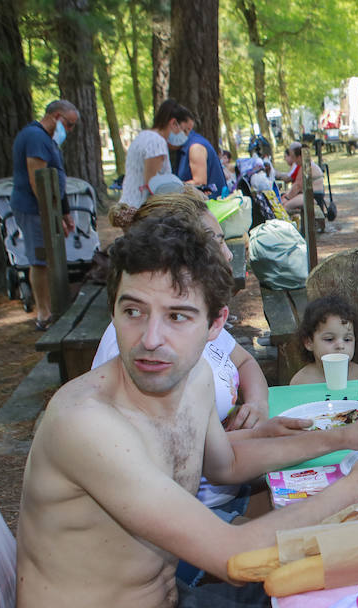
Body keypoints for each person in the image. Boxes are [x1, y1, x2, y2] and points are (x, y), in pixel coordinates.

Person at [16, 211, 358, 608]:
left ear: (215, 325)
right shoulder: (86, 424)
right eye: (133, 311)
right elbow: (234, 556)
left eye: (177, 316)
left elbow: (223, 466)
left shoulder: (194, 376)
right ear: (115, 310)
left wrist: (341, 438)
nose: (150, 339)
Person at [91, 193, 270, 530]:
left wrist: (261, 408)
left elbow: (245, 364)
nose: (152, 337)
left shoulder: (195, 341)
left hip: (228, 491)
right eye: (216, 241)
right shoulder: (144, 363)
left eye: (176, 316)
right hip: (199, 519)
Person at [11, 100, 78, 330]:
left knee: (50, 258)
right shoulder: (35, 137)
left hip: (47, 209)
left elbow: (57, 177)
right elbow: (37, 180)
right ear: (57, 116)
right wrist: (51, 213)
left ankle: (55, 307)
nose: (69, 131)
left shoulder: (47, 140)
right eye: (69, 125)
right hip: (34, 209)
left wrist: (65, 211)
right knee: (39, 260)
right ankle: (43, 313)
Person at [118, 99, 189, 217]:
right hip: (140, 211)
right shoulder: (157, 142)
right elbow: (153, 185)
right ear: (173, 123)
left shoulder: (143, 136)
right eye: (184, 130)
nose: (185, 135)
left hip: (129, 205)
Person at [290, 294, 358, 386]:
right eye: (329, 339)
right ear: (309, 342)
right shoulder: (301, 381)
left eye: (347, 339)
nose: (340, 346)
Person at [175, 113, 229, 198]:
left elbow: (199, 182)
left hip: (210, 206)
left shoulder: (195, 147)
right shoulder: (185, 146)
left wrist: (171, 189)